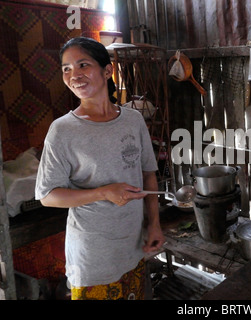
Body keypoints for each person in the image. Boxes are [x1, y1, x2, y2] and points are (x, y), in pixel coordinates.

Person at [35, 37, 165, 300]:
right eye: (66, 69)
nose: (74, 75)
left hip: (133, 246)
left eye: (83, 65)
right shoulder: (63, 131)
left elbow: (148, 173)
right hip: (93, 256)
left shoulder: (132, 120)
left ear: (107, 71)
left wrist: (154, 224)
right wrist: (104, 192)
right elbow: (47, 195)